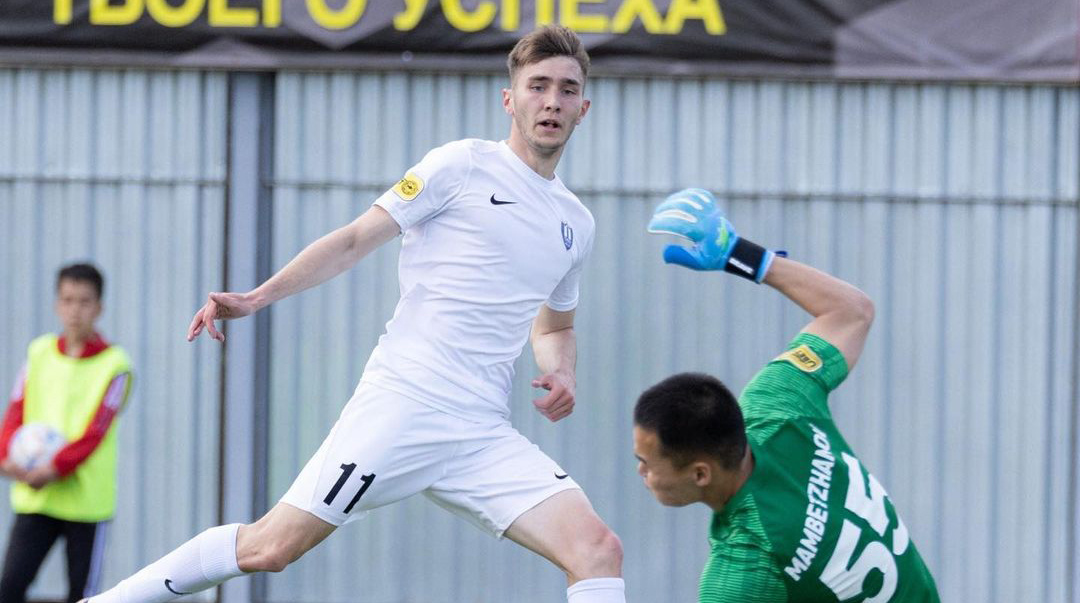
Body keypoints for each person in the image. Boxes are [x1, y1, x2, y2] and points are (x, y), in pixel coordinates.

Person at [86, 25, 625, 603]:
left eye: (567, 89)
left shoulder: (576, 223)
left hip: (481, 431)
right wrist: (257, 297)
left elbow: (555, 325)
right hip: (404, 403)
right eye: (537, 86)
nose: (552, 101)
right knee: (271, 548)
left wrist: (561, 370)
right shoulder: (460, 166)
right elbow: (353, 240)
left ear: (583, 108)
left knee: (597, 551)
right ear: (509, 99)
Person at [634, 188, 940, 602]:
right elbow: (851, 313)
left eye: (646, 463)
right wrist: (739, 253)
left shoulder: (744, 568)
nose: (640, 472)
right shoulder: (777, 403)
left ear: (700, 474)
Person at [0, 262, 133, 603]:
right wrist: (5, 455)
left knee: (83, 597)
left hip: (86, 503)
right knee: (9, 588)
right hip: (36, 497)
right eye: (68, 300)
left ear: (99, 307)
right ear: (57, 304)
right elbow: (16, 408)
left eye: (84, 301)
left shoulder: (116, 365)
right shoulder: (39, 352)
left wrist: (56, 467)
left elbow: (96, 432)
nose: (75, 310)